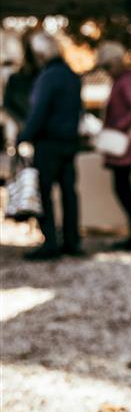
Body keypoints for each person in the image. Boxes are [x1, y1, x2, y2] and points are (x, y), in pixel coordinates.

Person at [17, 32, 83, 261]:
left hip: (49, 143)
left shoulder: (48, 77)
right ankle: (72, 240)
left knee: (44, 193)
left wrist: (23, 136)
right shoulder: (71, 76)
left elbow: (38, 113)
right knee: (69, 193)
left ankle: (51, 243)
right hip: (69, 141)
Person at [95, 41, 131, 251]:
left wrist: (117, 127)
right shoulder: (122, 80)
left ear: (116, 62)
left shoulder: (127, 80)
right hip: (121, 143)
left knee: (123, 188)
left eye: (107, 67)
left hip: (124, 144)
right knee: (122, 188)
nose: (106, 72)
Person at [3, 34, 38, 135]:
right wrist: (21, 122)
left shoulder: (42, 77)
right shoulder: (15, 79)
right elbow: (8, 104)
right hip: (22, 127)